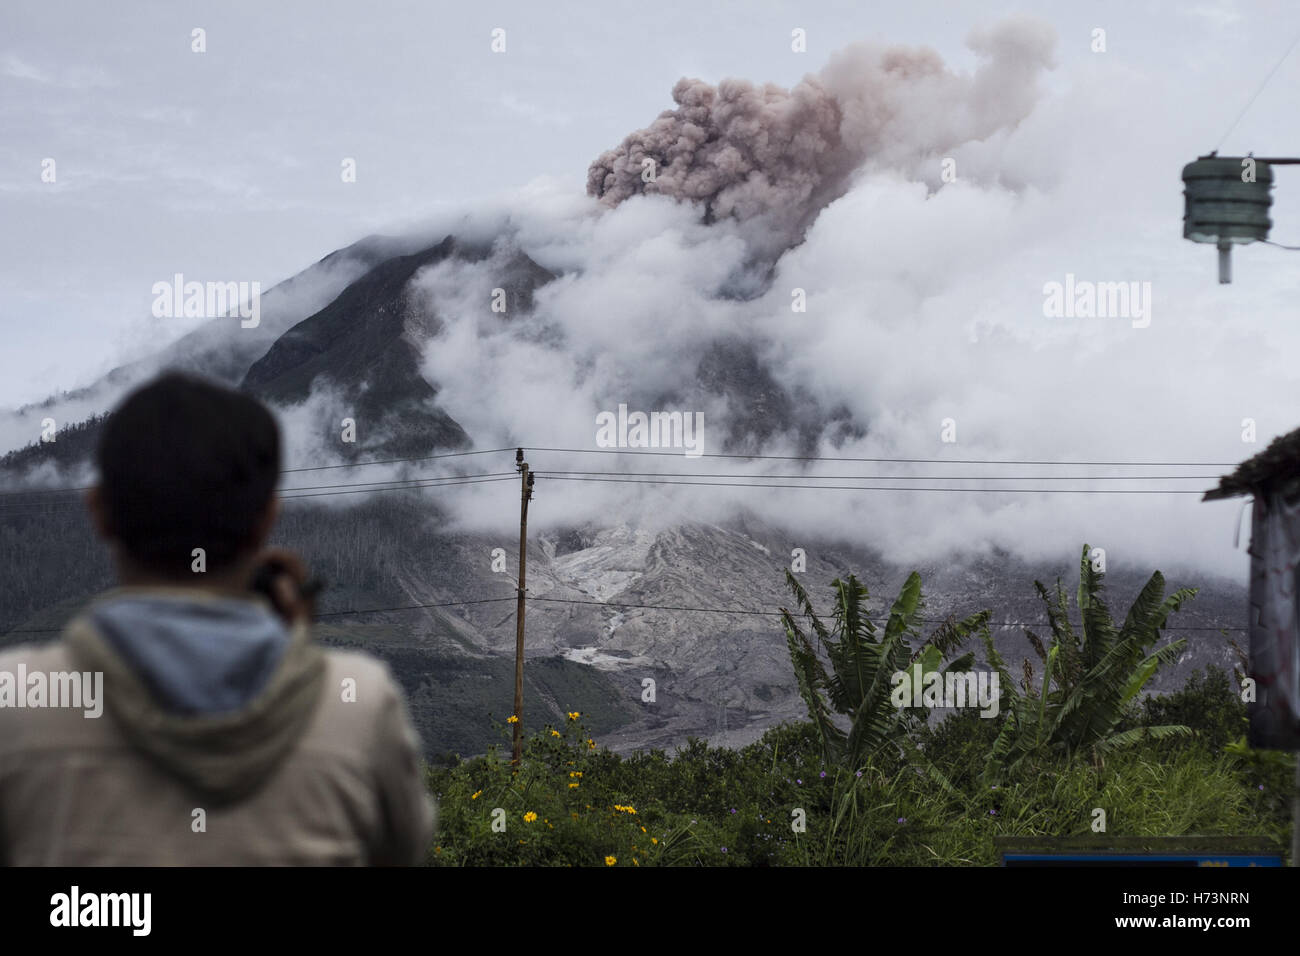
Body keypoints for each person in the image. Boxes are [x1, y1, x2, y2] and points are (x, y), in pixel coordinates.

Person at [0, 372, 435, 865]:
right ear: (268, 518)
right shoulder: (362, 707)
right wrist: (289, 650)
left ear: (99, 511)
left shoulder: (15, 701)